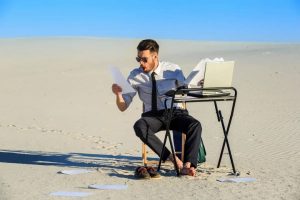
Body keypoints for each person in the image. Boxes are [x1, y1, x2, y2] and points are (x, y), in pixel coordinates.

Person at [111, 39, 202, 176]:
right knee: (139, 126)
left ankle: (188, 165)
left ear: (155, 57)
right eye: (138, 59)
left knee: (195, 125)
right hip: (153, 117)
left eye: (144, 59)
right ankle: (173, 159)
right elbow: (123, 107)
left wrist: (199, 85)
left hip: (175, 112)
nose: (141, 63)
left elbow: (186, 89)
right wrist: (118, 94)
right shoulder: (135, 76)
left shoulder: (173, 69)